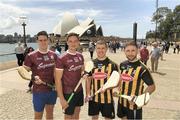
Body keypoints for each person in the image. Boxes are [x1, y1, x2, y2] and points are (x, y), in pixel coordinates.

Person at [117, 41, 155, 119]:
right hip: (121, 102)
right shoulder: (122, 64)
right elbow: (122, 78)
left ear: (137, 51)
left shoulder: (142, 68)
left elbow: (152, 86)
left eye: (133, 50)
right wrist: (118, 88)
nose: (130, 53)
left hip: (133, 105)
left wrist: (139, 99)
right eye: (128, 51)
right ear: (124, 51)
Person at [23, 31, 57, 119]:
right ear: (37, 41)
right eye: (40, 40)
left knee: (50, 115)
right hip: (39, 91)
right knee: (38, 116)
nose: (43, 42)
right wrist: (33, 78)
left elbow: (57, 72)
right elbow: (25, 71)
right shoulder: (30, 56)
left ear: (48, 40)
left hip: (52, 90)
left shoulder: (54, 55)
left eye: (45, 40)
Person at [86, 40, 119, 119]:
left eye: (103, 48)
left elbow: (117, 82)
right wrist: (87, 94)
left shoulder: (113, 65)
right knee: (94, 118)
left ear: (106, 49)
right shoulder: (91, 63)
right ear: (95, 49)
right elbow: (88, 80)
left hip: (108, 99)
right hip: (94, 98)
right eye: (98, 48)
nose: (101, 50)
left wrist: (107, 88)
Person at [55, 33, 84, 120]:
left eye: (75, 41)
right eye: (70, 41)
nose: (73, 43)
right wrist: (61, 99)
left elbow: (82, 70)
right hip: (68, 93)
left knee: (77, 113)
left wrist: (84, 73)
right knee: (68, 116)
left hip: (79, 90)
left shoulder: (80, 56)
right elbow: (57, 80)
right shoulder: (61, 58)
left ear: (78, 42)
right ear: (67, 42)